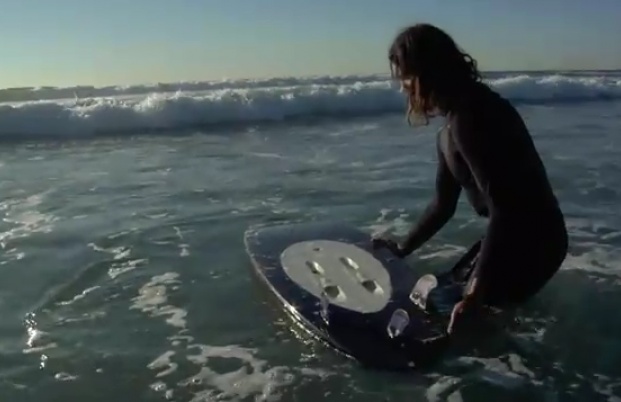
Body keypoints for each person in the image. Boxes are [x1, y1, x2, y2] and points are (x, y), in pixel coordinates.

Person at [372, 23, 568, 334]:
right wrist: (403, 248)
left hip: (536, 240)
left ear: (426, 72)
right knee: (434, 297)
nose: (403, 88)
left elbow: (506, 208)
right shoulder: (452, 125)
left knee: (459, 317)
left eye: (406, 77)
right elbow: (442, 205)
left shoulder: (473, 116)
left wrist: (474, 295)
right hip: (517, 234)